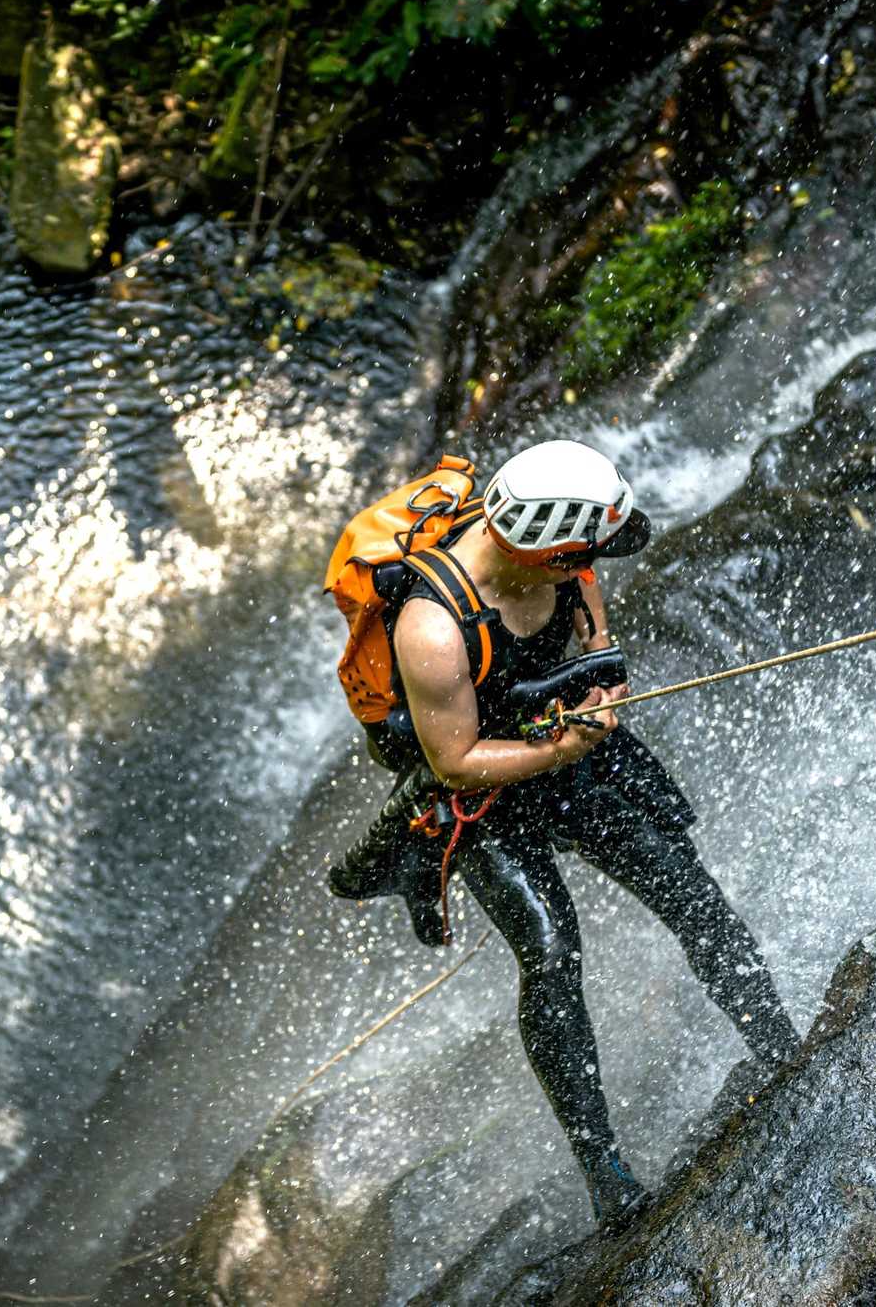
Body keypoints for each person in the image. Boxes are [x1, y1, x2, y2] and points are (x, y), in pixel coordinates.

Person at [327, 439, 800, 1229]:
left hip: (560, 746)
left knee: (688, 890)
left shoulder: (565, 564)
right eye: (584, 554)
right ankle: (602, 1165)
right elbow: (455, 759)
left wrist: (602, 694)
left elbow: (595, 645)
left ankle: (779, 1043)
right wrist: (562, 747)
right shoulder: (431, 627)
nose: (592, 566)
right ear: (543, 548)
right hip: (482, 791)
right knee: (550, 952)